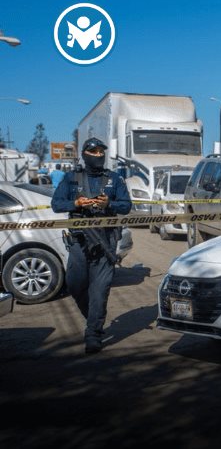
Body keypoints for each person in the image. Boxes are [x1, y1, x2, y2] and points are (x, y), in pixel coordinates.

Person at [52, 138, 132, 353]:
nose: (98, 155)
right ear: (85, 154)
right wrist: (76, 203)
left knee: (100, 290)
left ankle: (93, 333)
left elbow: (126, 206)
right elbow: (56, 204)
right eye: (93, 151)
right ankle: (93, 318)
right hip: (79, 241)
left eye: (101, 151)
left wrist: (109, 204)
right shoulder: (71, 179)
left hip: (106, 241)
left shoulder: (114, 179)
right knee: (75, 285)